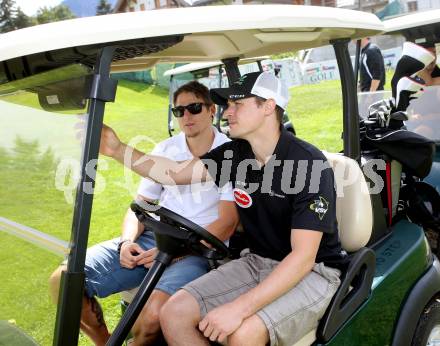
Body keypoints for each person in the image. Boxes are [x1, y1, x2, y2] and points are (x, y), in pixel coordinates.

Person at [99, 71, 345, 346]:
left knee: (242, 334)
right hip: (258, 261)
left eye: (237, 104)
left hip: (313, 272)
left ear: (268, 106)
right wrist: (117, 149)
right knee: (173, 312)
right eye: (228, 105)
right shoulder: (238, 153)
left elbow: (303, 258)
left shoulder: (307, 164)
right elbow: (173, 173)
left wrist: (239, 308)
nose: (227, 112)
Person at [49, 81, 239, 346]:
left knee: (151, 318)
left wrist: (177, 251)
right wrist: (127, 241)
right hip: (153, 240)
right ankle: (106, 342)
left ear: (210, 111)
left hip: (198, 251)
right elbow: (142, 205)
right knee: (63, 281)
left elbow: (227, 223)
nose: (186, 116)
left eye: (194, 108)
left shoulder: (230, 153)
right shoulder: (166, 149)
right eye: (178, 111)